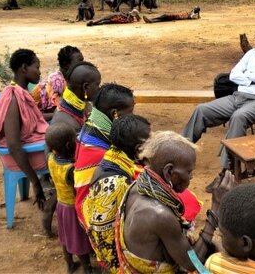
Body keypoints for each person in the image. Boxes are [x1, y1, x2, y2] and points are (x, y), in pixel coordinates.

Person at [182, 20, 255, 190]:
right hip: (237, 97)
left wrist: (248, 76)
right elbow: (234, 75)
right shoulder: (252, 53)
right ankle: (180, 151)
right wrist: (253, 77)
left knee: (239, 117)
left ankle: (226, 171)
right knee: (201, 110)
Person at [116, 131, 235, 273]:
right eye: (189, 171)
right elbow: (192, 264)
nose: (191, 177)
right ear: (169, 171)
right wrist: (216, 207)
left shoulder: (137, 186)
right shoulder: (160, 215)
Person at [82, 114, 151, 273]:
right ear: (138, 149)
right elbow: (105, 242)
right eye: (150, 143)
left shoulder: (113, 158)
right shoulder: (115, 184)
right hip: (115, 260)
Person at [41, 61, 102, 237]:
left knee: (62, 194)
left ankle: (49, 218)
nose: (98, 88)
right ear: (85, 87)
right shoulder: (66, 120)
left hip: (59, 158)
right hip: (60, 161)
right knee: (65, 194)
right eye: (96, 85)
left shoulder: (73, 104)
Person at [0, 49, 49, 210]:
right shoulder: (13, 98)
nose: (39, 71)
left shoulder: (21, 91)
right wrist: (36, 183)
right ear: (24, 68)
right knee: (68, 153)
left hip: (27, 148)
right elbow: (14, 146)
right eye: (36, 67)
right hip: (19, 155)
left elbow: (35, 118)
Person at [74, 83, 135, 226]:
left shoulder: (93, 124)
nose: (133, 117)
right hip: (93, 217)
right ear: (115, 114)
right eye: (130, 112)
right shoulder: (99, 153)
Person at [46, 123, 94, 274]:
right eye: (75, 139)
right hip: (73, 209)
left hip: (61, 205)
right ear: (69, 145)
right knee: (78, 239)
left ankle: (69, 265)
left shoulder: (51, 158)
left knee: (66, 237)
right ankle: (87, 268)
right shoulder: (71, 170)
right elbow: (79, 187)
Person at [31, 45, 85, 120]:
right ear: (66, 65)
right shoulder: (56, 81)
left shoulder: (69, 79)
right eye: (79, 61)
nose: (83, 64)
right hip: (38, 118)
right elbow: (59, 111)